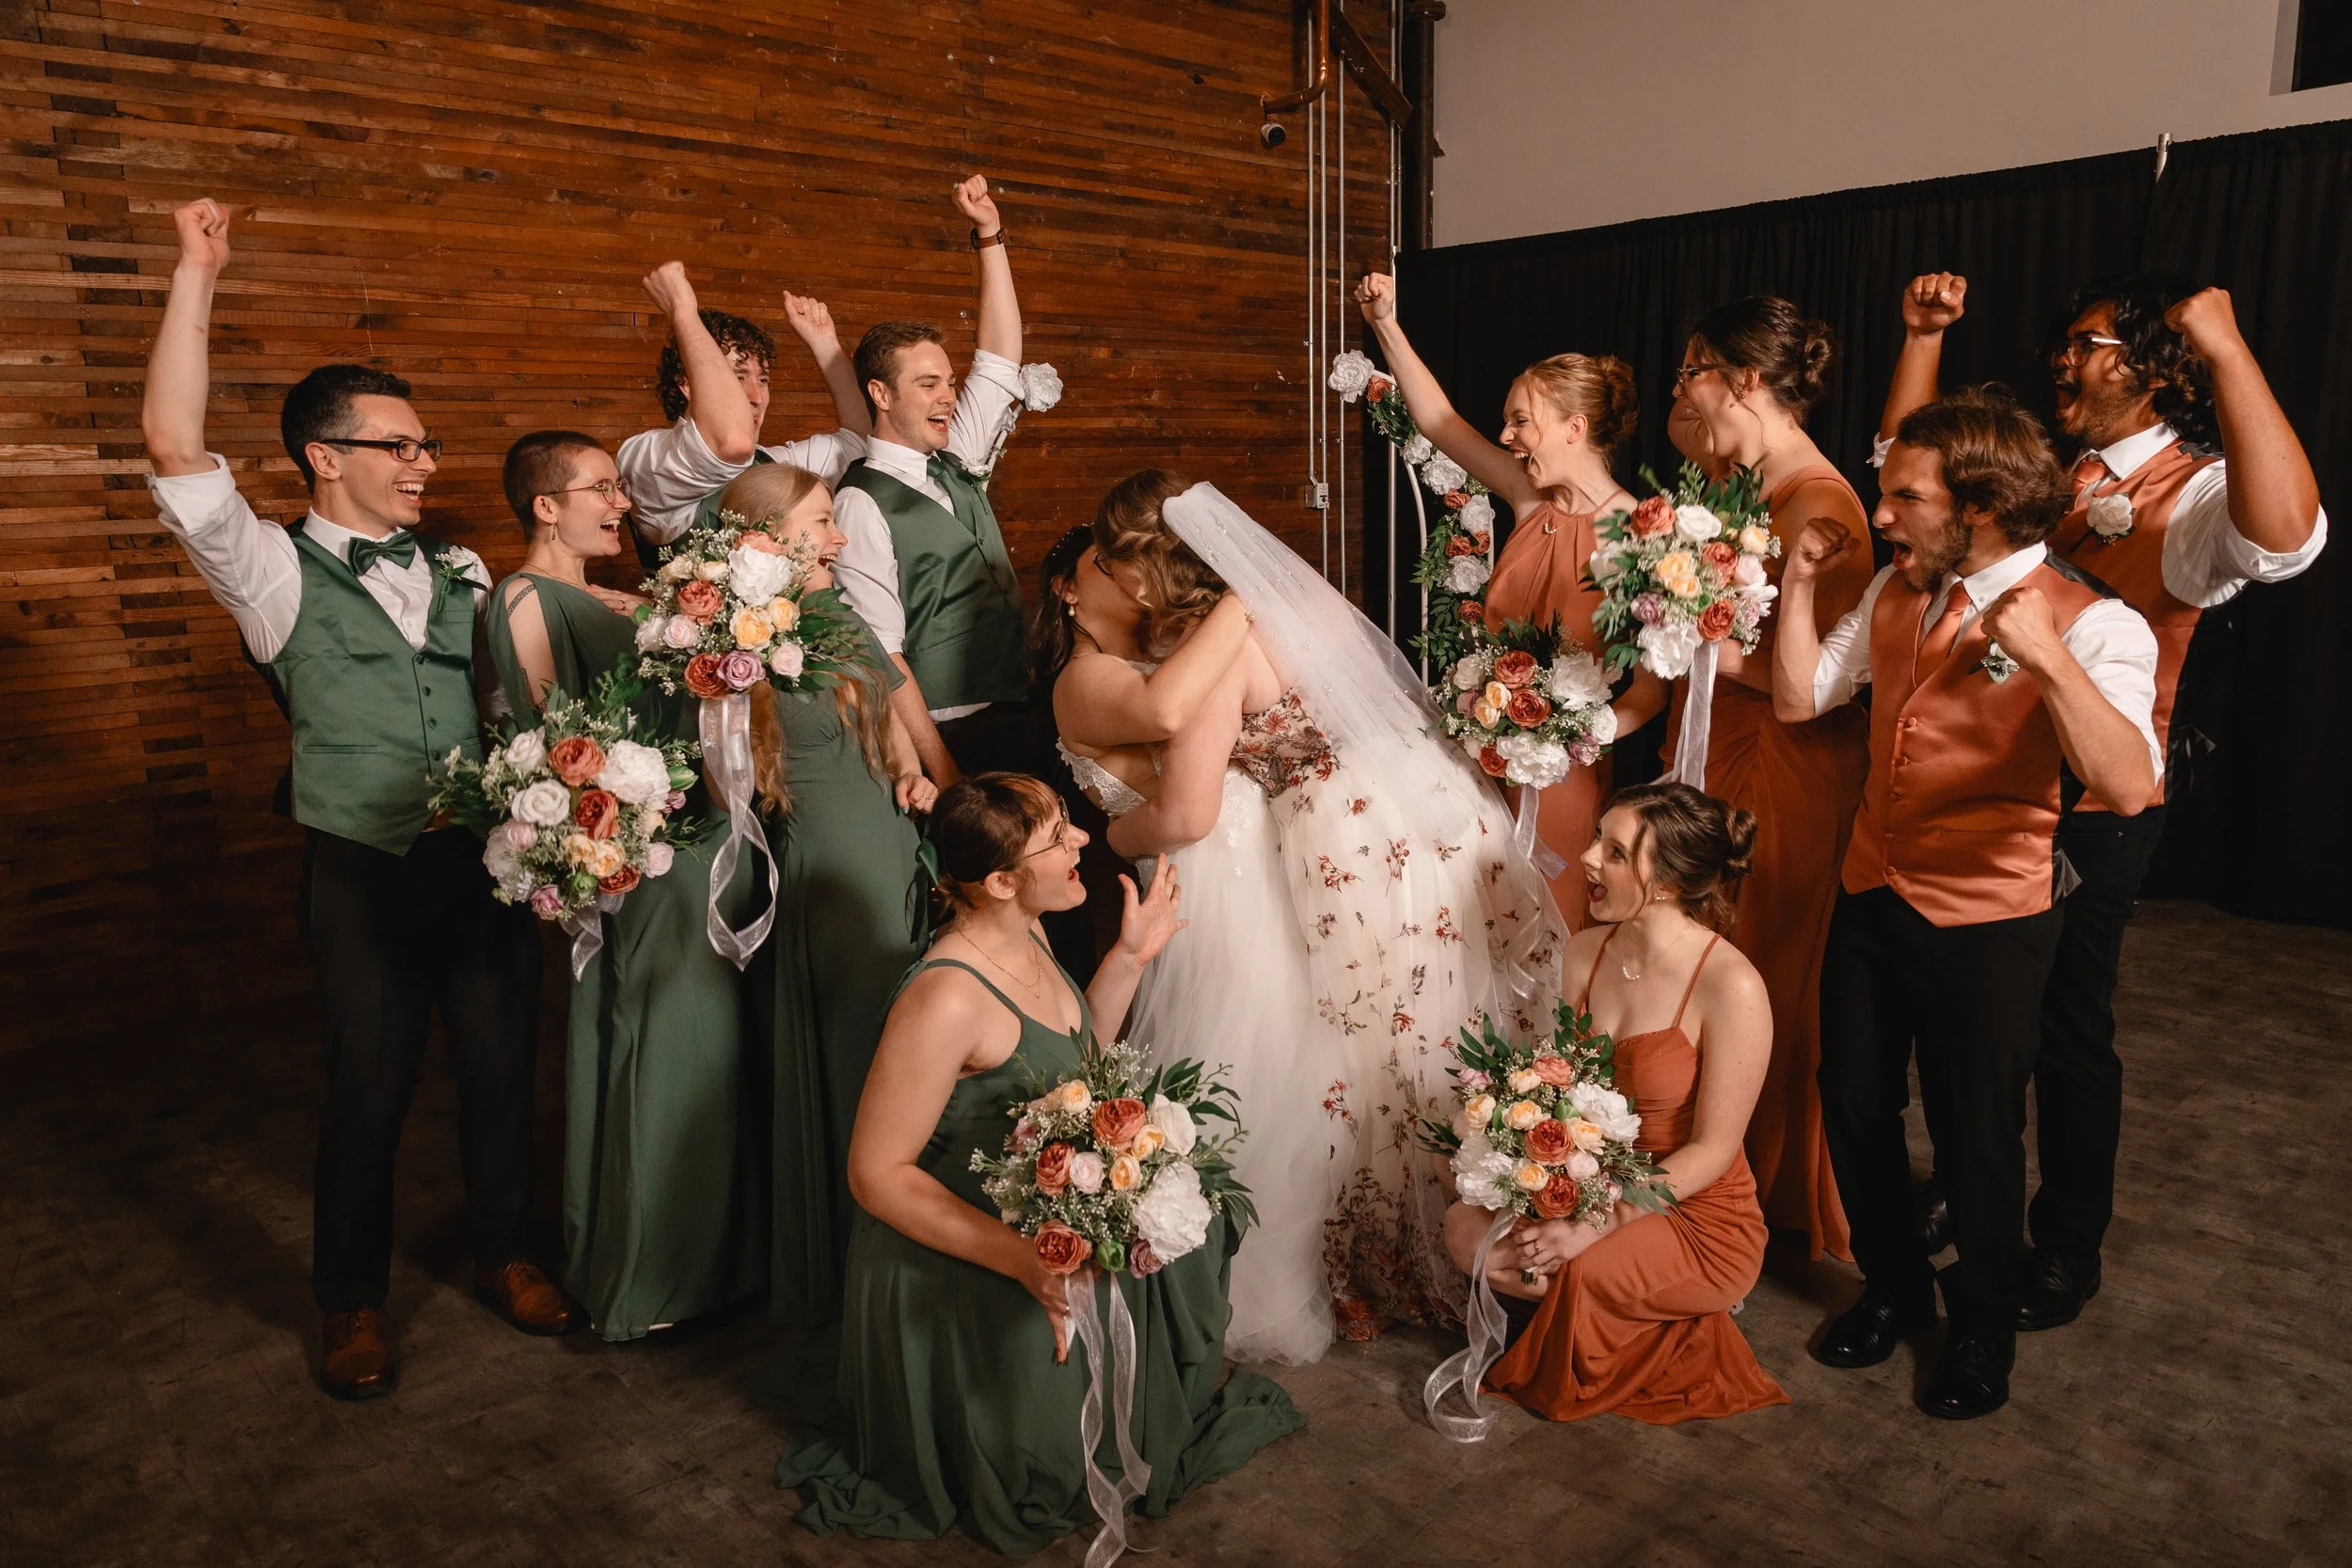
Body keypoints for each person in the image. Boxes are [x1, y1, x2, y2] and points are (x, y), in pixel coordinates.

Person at [140, 198, 570, 1401]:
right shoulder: (270, 573)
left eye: (425, 444)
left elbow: (506, 698)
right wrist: (195, 273)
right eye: (399, 445)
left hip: (479, 859)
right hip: (359, 867)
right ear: (326, 455)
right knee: (369, 1091)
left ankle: (508, 1252)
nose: (425, 461)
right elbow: (176, 444)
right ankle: (350, 1304)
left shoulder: (465, 568)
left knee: (499, 1074)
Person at [1877, 271, 2327, 1329]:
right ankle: (1960, 1183)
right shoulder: (2049, 468)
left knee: (2065, 1027)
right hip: (1972, 792)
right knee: (1959, 1018)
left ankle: (2064, 1239)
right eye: (2064, 344)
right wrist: (1920, 339)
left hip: (2093, 810)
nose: (2060, 361)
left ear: (2155, 368)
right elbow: (1912, 480)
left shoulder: (2197, 490)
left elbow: (2288, 540)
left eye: (2086, 345)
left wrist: (2224, 345)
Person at [776, 775, 1304, 1554]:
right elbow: (876, 1174)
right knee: (1047, 1464)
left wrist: (1129, 956)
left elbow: (1068, 1054)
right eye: (1058, 836)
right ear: (999, 881)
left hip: (1041, 1207)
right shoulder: (944, 1000)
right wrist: (1020, 1258)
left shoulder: (1031, 931)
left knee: (1201, 1232)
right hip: (958, 1246)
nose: (1083, 840)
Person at [1091, 472, 1564, 1334]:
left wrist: (1113, 839)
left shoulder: (1215, 648)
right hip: (1440, 811)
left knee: (1375, 1040)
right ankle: (1506, 1216)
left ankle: (1401, 1253)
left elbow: (1189, 814)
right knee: (1448, 1018)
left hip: (1354, 846)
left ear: (1142, 568)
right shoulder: (1297, 594)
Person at [1774, 387, 2163, 1420]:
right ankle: (1896, 1289)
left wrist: (2040, 652)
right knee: (1852, 1098)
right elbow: (1804, 695)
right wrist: (1803, 587)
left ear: (1979, 504)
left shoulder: (2099, 621)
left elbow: (2126, 783)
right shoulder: (1902, 592)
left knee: (1977, 1131)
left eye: (1904, 495)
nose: (1883, 512)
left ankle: (1982, 1327)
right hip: (1872, 890)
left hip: (1989, 916)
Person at [481, 431, 765, 1341]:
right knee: (660, 1042)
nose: (620, 503)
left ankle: (717, 1257)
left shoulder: (610, 593)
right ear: (545, 505)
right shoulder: (523, 595)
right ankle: (649, 1269)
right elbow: (550, 742)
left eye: (618, 487)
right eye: (598, 488)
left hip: (699, 843)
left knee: (709, 1049)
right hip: (645, 857)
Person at [1039, 522, 1343, 1363]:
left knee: (1287, 1056)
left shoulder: (1172, 654)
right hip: (1206, 880)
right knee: (1233, 1057)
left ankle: (1301, 1257)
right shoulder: (1085, 675)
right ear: (1069, 589)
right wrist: (1247, 582)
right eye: (1108, 567)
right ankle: (1231, 1287)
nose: (1131, 580)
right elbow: (1167, 726)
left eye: (1138, 563)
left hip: (1256, 866)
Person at [1459, 783, 1786, 1425]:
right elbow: (1561, 1093)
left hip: (1696, 1213)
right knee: (1463, 1231)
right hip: (1594, 1180)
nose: (1585, 859)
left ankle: (1640, 1306)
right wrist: (1545, 1186)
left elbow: (1713, 1152)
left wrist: (1597, 1222)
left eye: (1613, 850)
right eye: (1595, 839)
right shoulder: (1586, 952)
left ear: (1665, 882)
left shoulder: (1733, 985)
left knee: (1577, 1269)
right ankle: (1621, 1307)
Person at [1663, 296, 1875, 1261]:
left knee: (1759, 968)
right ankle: (1699, 1154)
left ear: (1744, 377)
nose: (1681, 389)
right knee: (1704, 946)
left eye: (1693, 369)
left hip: (1782, 764)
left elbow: (1814, 683)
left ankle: (1764, 1185)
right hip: (1724, 740)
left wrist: (1673, 625)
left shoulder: (1820, 503)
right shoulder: (1743, 480)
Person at [1355, 272, 1663, 922]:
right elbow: (1438, 420)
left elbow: (1651, 694)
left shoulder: (1640, 535)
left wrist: (1575, 735)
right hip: (1475, 758)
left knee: (1548, 931)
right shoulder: (1528, 498)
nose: (1505, 436)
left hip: (1562, 777)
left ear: (1574, 427)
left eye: (1521, 420)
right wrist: (1385, 321)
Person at [715, 462, 940, 1327]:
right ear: (767, 536)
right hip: (831, 865)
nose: (841, 537)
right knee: (860, 1055)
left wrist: (919, 784)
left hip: (894, 847)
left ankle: (920, 1244)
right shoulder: (733, 638)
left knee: (911, 1044)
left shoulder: (842, 615)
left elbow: (896, 746)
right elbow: (729, 778)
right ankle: (862, 1264)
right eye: (822, 521)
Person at [832, 176, 1036, 787]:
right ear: (881, 392)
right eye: (928, 384)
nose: (948, 394)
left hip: (1019, 710)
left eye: (949, 382)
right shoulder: (859, 503)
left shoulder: (957, 457)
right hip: (951, 734)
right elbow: (881, 654)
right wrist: (942, 770)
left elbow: (1000, 359)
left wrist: (989, 234)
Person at [613, 261, 871, 551]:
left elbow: (860, 441)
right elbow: (732, 442)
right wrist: (683, 312)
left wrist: (825, 345)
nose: (756, 396)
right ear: (688, 384)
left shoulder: (773, 464)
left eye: (763, 380)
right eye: (738, 377)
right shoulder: (648, 457)